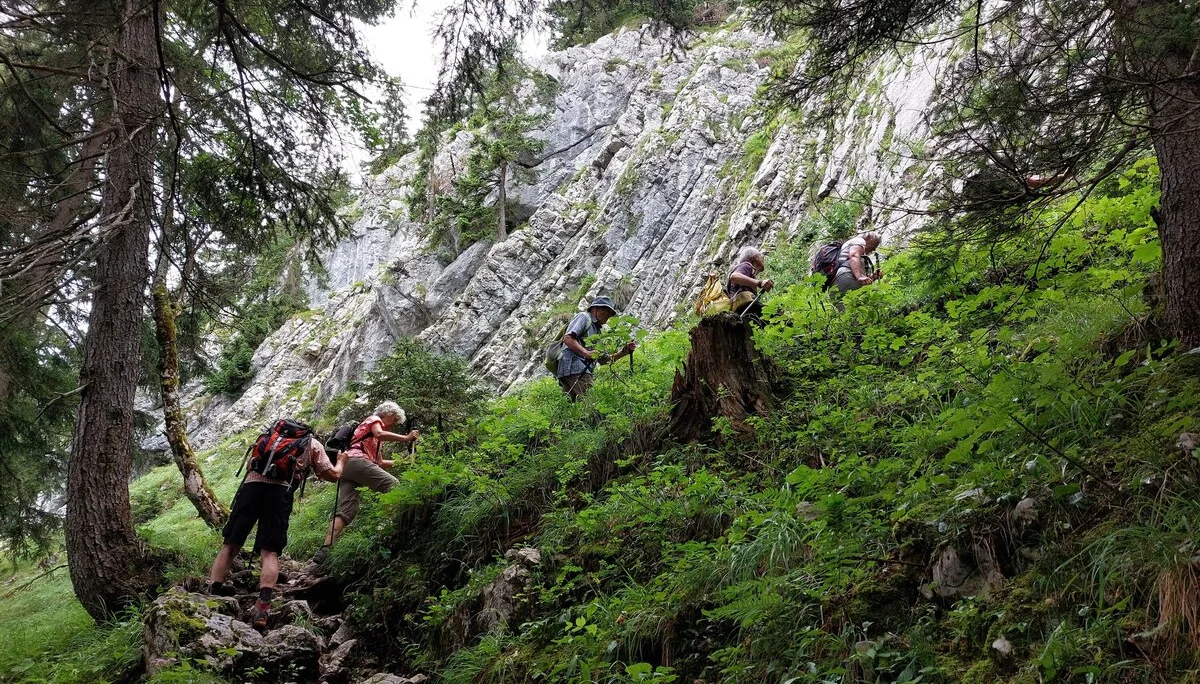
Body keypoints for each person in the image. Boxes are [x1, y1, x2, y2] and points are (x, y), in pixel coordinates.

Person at [206, 435, 346, 629]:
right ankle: (262, 609)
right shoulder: (311, 443)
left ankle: (213, 594)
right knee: (269, 552)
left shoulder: (268, 437)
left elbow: (250, 465)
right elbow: (332, 475)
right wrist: (341, 462)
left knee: (230, 544)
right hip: (280, 492)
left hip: (251, 488)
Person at [311, 401, 418, 564]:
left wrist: (404, 462)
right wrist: (406, 438)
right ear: (386, 413)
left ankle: (325, 549)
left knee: (347, 510)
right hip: (356, 461)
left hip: (347, 467)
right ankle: (390, 526)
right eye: (394, 419)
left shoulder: (374, 438)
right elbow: (380, 434)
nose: (394, 423)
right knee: (393, 485)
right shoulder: (374, 419)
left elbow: (380, 462)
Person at [556, 296, 637, 401]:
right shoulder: (584, 317)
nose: (608, 316)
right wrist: (586, 353)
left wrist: (624, 351)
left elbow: (603, 360)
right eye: (606, 311)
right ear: (595, 309)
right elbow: (568, 339)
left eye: (610, 314)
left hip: (572, 370)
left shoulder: (598, 332)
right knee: (592, 401)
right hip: (574, 366)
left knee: (571, 404)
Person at [725, 246, 775, 319]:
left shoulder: (749, 274)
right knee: (779, 316)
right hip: (746, 308)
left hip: (740, 312)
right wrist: (759, 283)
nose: (763, 259)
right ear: (755, 258)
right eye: (761, 257)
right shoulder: (747, 265)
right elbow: (734, 276)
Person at [832, 231, 882, 300]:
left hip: (836, 283)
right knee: (874, 298)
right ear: (869, 238)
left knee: (845, 306)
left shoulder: (849, 247)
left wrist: (873, 277)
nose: (874, 249)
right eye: (875, 244)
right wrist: (859, 277)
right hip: (847, 276)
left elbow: (862, 280)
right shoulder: (860, 241)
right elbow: (854, 255)